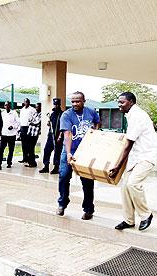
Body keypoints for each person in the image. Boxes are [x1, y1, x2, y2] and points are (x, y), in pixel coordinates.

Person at [109, 92, 157, 231]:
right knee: (125, 186)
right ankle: (129, 220)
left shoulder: (137, 116)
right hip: (136, 157)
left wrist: (117, 166)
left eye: (122, 102)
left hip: (146, 156)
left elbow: (128, 144)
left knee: (133, 183)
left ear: (131, 102)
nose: (119, 105)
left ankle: (146, 215)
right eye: (118, 102)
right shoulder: (131, 115)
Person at [56, 92, 100, 220]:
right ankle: (62, 203)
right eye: (73, 101)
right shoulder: (67, 115)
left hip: (85, 152)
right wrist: (69, 153)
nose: (75, 104)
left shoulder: (91, 112)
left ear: (84, 101)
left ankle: (88, 209)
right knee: (63, 176)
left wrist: (94, 133)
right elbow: (68, 134)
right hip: (70, 150)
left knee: (87, 181)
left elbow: (97, 122)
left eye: (78, 101)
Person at [40, 98, 64, 174]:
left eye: (57, 104)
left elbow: (63, 126)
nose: (56, 106)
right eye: (55, 104)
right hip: (51, 136)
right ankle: (46, 166)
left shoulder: (62, 114)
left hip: (58, 136)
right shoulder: (52, 114)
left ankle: (56, 168)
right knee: (46, 150)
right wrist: (48, 123)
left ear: (59, 105)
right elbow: (50, 123)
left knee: (57, 152)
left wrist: (60, 136)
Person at [0, 101, 20, 168]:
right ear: (4, 106)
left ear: (10, 106)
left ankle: (9, 162)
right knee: (1, 149)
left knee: (11, 150)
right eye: (5, 105)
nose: (7, 106)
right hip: (4, 134)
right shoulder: (2, 113)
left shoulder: (14, 113)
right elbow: (0, 123)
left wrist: (13, 126)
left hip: (12, 135)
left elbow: (18, 122)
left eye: (8, 105)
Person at [25, 102, 42, 167]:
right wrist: (33, 122)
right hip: (29, 132)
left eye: (37, 107)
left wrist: (32, 122)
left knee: (32, 148)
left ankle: (33, 163)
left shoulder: (41, 114)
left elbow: (37, 122)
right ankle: (30, 162)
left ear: (41, 107)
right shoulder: (34, 113)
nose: (36, 108)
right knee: (28, 148)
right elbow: (29, 120)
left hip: (35, 133)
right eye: (35, 107)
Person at [19, 98, 36, 163]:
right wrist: (19, 129)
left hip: (29, 127)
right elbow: (21, 119)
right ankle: (24, 158)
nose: (26, 103)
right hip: (22, 128)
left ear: (29, 102)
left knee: (29, 144)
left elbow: (34, 118)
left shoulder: (32, 109)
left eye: (27, 102)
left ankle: (30, 159)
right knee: (23, 144)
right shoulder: (22, 109)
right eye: (25, 102)